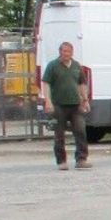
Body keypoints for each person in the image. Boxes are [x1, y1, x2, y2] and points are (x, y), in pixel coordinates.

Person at [42, 40, 92, 169]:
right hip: (58, 105)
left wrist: (85, 100)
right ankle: (61, 161)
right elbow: (46, 83)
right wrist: (48, 101)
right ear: (60, 52)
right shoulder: (52, 66)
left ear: (72, 52)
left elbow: (82, 84)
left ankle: (81, 159)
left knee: (81, 132)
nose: (67, 54)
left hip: (76, 105)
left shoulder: (76, 66)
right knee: (59, 134)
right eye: (64, 51)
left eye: (69, 51)